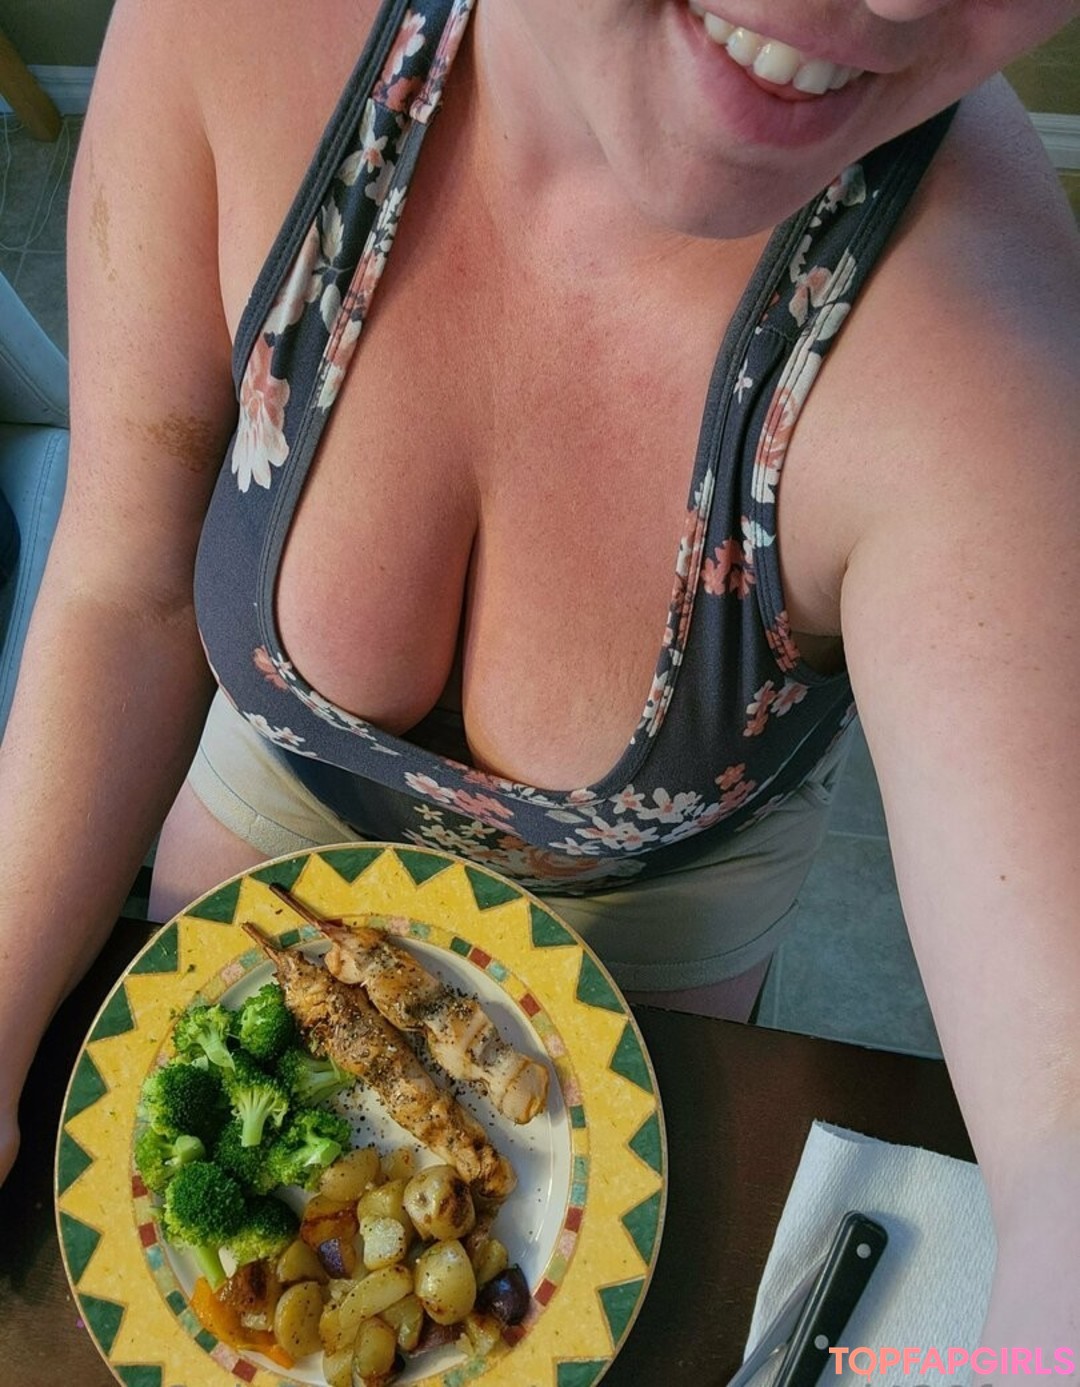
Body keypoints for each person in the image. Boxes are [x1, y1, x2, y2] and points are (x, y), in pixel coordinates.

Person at [0, 0, 1077, 1350]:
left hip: (649, 937)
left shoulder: (994, 356)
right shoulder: (228, 26)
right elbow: (128, 589)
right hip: (273, 828)